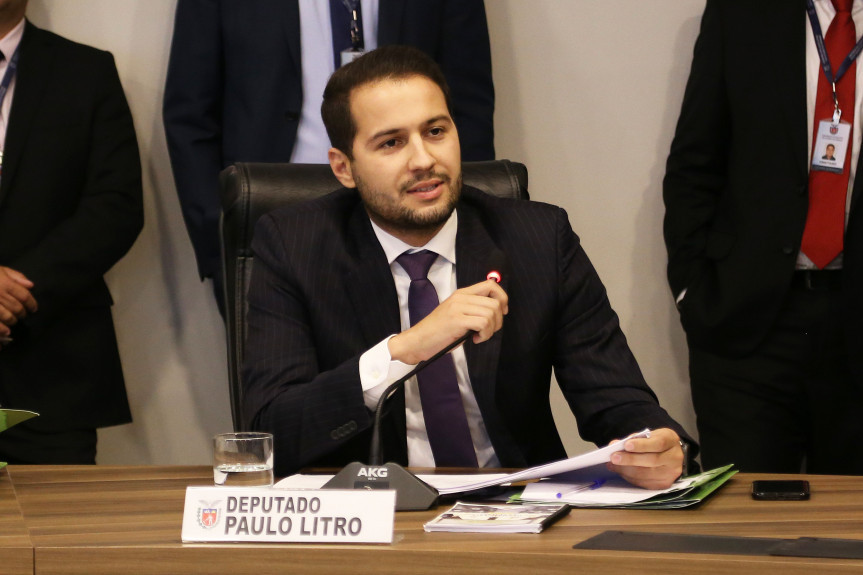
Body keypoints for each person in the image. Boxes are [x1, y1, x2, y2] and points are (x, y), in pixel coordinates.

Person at [243, 45, 695, 488]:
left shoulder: (537, 237)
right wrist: (405, 349)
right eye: (392, 142)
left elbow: (614, 395)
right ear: (344, 168)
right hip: (375, 518)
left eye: (436, 131)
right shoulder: (294, 247)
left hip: (517, 508)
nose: (423, 160)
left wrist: (656, 443)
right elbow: (274, 433)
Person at [163, 0, 495, 310]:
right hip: (270, 221)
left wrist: (471, 232)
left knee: (430, 364)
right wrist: (221, 243)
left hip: (414, 220)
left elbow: (468, 104)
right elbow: (191, 116)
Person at [663, 0, 863, 474]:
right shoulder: (743, 11)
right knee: (743, 523)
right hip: (749, 320)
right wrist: (694, 290)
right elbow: (694, 164)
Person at [0, 0, 143, 463]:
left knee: (54, 533)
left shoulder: (86, 70)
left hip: (50, 370)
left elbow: (116, 206)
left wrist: (13, 294)